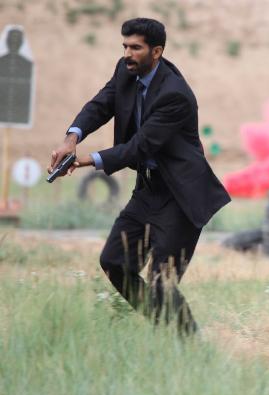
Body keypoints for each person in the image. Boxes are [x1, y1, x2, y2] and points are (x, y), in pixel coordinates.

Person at [47, 18, 230, 334]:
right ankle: (166, 330)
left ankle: (189, 346)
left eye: (136, 48)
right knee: (114, 262)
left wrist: (85, 160)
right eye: (125, 47)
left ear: (156, 51)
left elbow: (139, 146)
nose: (128, 54)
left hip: (181, 196)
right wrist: (72, 137)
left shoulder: (175, 95)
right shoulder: (126, 71)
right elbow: (102, 104)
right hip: (148, 188)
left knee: (162, 283)